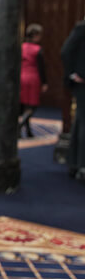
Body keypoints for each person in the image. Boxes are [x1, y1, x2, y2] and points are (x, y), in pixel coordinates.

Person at [60, 20, 85, 184]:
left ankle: (75, 163)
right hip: (82, 83)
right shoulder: (82, 28)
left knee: (80, 123)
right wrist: (76, 74)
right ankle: (82, 165)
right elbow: (66, 51)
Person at [18, 23, 48, 138]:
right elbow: (41, 67)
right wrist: (44, 82)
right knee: (32, 106)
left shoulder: (22, 47)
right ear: (35, 35)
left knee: (24, 105)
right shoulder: (37, 50)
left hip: (21, 77)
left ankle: (28, 131)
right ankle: (19, 126)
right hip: (33, 79)